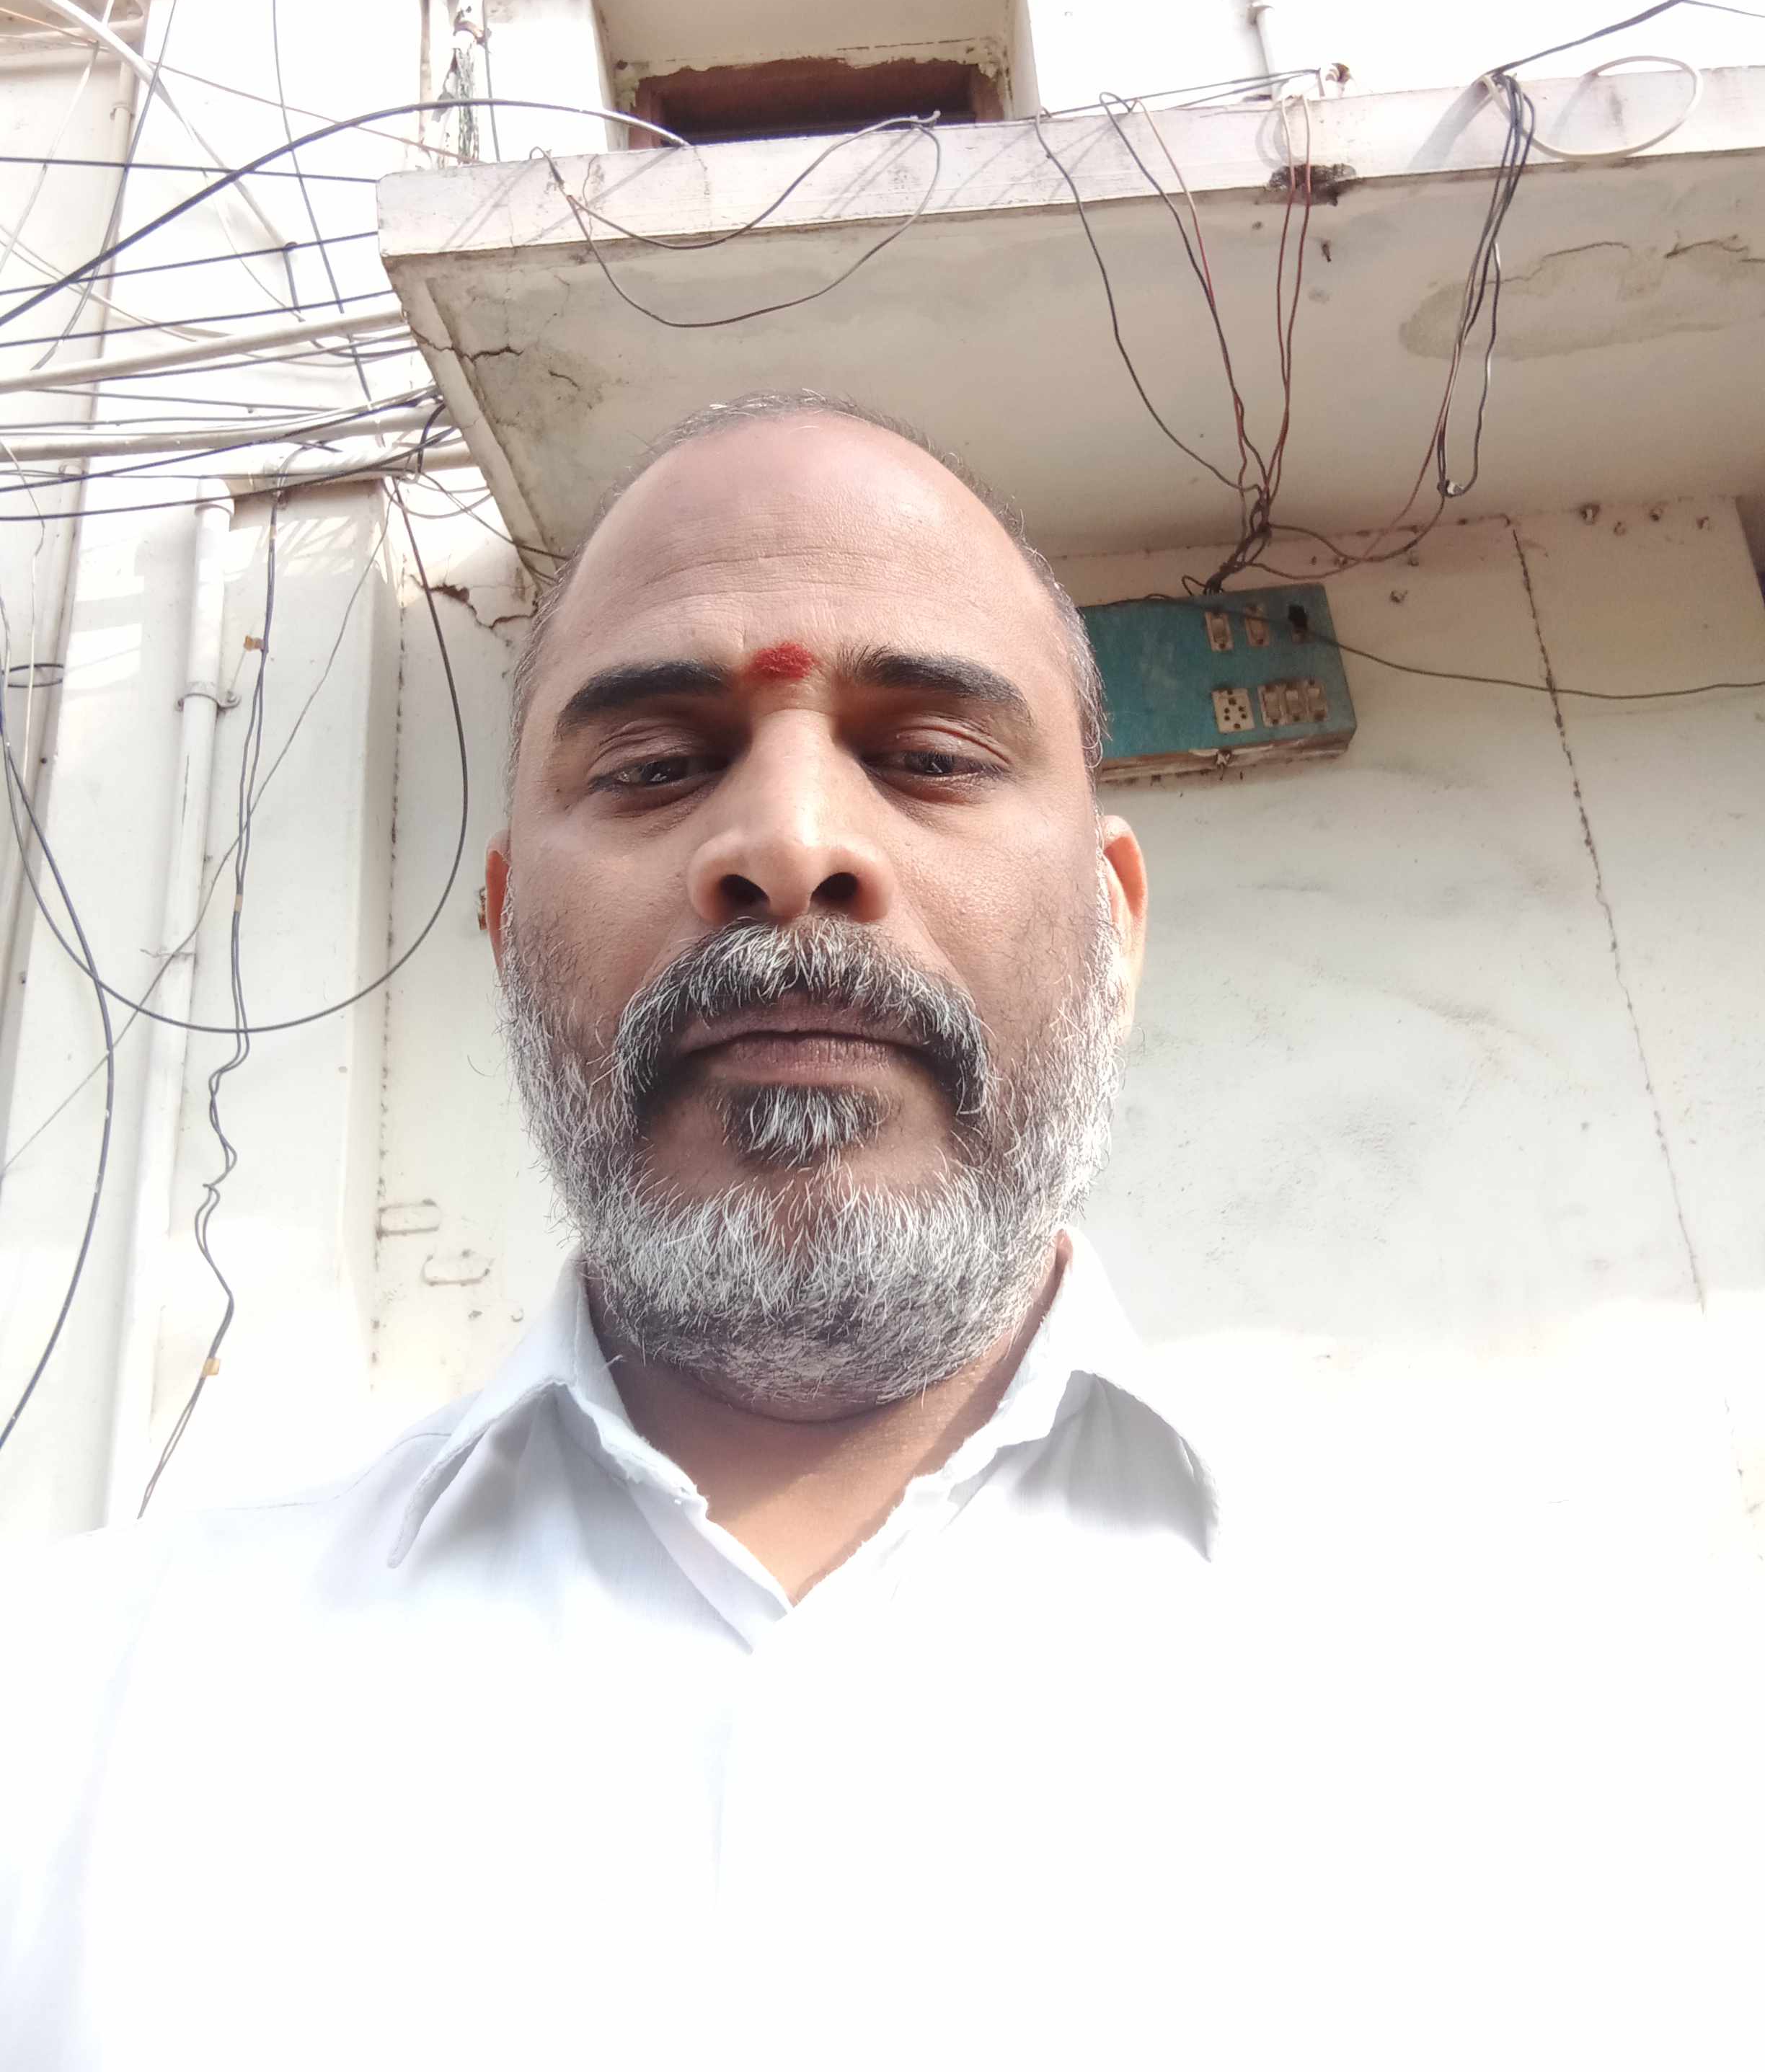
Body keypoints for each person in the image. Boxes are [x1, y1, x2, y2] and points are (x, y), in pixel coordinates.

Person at [2, 394, 1755, 2071]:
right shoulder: (70, 1714)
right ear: (509, 928)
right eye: (657, 765)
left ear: (1115, 930)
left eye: (926, 757)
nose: (789, 844)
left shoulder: (1585, 1735)